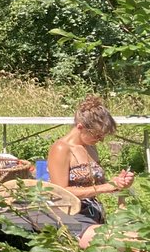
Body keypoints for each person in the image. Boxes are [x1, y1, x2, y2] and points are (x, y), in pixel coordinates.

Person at [47, 96, 135, 225]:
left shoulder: (90, 147)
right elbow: (60, 192)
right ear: (80, 127)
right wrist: (106, 187)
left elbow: (96, 185)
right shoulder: (61, 148)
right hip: (70, 216)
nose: (101, 140)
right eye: (97, 135)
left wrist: (118, 183)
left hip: (93, 214)